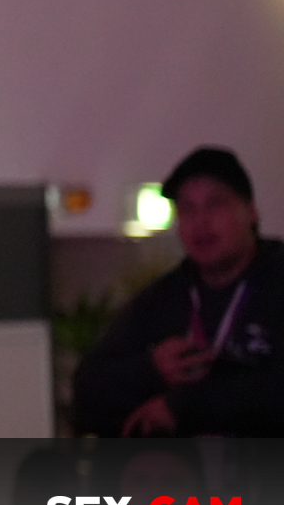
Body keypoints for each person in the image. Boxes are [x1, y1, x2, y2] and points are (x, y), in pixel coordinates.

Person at [72, 147, 284, 436]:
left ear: (251, 211)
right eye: (187, 209)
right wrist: (150, 371)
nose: (201, 222)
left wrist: (186, 407)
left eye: (215, 204)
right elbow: (87, 387)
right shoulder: (163, 297)